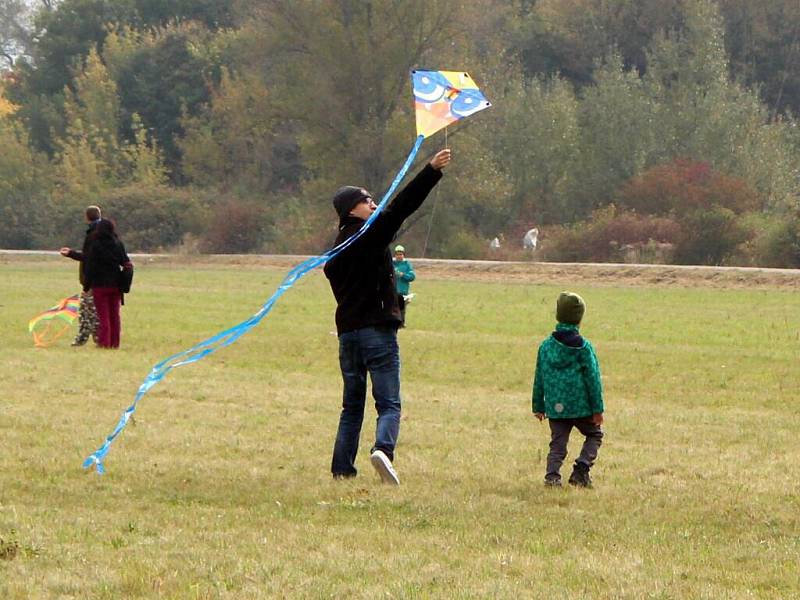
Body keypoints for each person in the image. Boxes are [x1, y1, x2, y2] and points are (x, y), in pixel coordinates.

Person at [323, 148, 452, 485]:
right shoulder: (367, 237)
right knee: (389, 403)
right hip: (376, 333)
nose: (374, 204)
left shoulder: (336, 249)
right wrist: (431, 171)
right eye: (368, 201)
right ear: (353, 209)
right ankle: (383, 450)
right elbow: (401, 208)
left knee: (351, 407)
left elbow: (358, 283)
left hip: (348, 336)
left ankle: (342, 469)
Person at [532, 292, 604, 488]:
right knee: (595, 435)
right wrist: (597, 409)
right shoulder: (584, 347)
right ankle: (581, 469)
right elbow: (593, 380)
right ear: (579, 318)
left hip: (556, 407)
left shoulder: (546, 346)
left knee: (557, 444)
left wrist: (538, 405)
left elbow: (539, 377)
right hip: (581, 407)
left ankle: (552, 477)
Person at [83, 218, 130, 349]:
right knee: (115, 315)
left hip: (100, 284)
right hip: (116, 284)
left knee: (103, 316)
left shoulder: (96, 245)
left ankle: (104, 343)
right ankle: (115, 343)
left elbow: (90, 266)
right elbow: (125, 261)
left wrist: (86, 286)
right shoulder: (118, 243)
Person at [60, 205, 102, 346]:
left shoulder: (92, 234)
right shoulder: (104, 233)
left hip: (92, 279)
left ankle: (86, 338)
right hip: (101, 279)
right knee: (95, 310)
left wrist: (71, 253)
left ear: (87, 217)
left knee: (87, 310)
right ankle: (98, 338)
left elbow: (88, 257)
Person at [392, 244, 415, 327]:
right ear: (395, 255)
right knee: (393, 308)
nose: (399, 256)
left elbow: (412, 277)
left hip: (403, 291)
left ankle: (401, 323)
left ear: (403, 255)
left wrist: (403, 275)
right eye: (397, 254)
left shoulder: (407, 265)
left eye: (401, 254)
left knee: (402, 309)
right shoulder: (392, 264)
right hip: (393, 290)